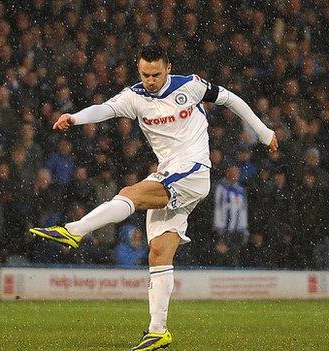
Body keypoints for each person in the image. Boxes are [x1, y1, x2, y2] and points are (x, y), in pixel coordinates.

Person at [29, 44, 278, 351]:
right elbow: (104, 110)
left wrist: (264, 131)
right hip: (169, 175)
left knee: (129, 193)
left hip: (194, 171)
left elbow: (232, 100)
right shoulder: (134, 96)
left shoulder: (191, 85)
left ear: (168, 68)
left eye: (156, 74)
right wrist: (75, 117)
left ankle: (75, 231)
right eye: (145, 74)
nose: (150, 80)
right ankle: (158, 331)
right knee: (158, 252)